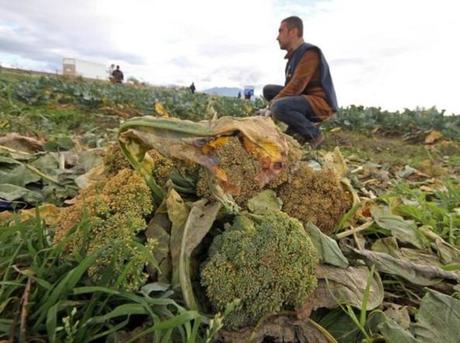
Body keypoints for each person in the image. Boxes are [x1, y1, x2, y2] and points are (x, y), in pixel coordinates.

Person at [263, 16, 338, 148]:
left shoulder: (309, 53)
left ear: (292, 32)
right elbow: (290, 89)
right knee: (268, 90)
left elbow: (296, 86)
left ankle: (314, 134)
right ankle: (296, 128)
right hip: (304, 98)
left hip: (319, 103)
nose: (277, 37)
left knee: (278, 106)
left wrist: (269, 107)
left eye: (281, 31)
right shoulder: (294, 57)